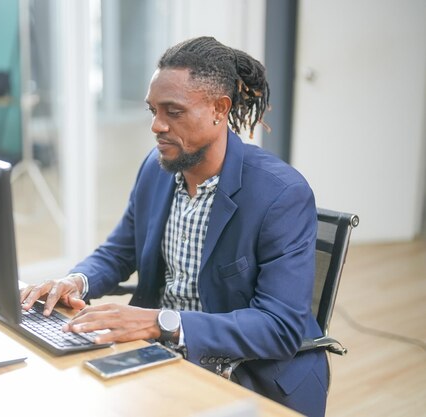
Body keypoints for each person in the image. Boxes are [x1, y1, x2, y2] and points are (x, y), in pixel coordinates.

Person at [20, 36, 328, 417]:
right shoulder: (157, 167)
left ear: (219, 109)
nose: (156, 125)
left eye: (173, 112)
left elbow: (279, 327)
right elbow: (121, 249)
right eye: (152, 110)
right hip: (163, 357)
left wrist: (161, 322)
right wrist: (76, 281)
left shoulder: (281, 194)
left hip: (248, 375)